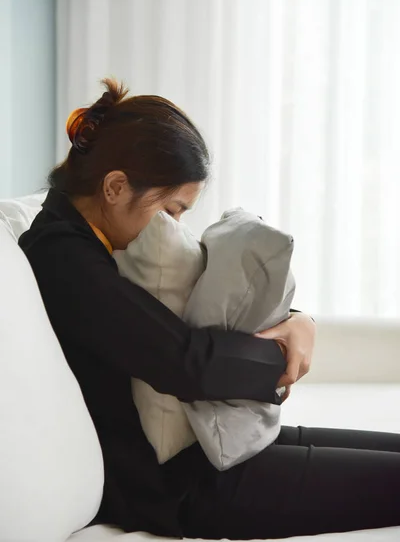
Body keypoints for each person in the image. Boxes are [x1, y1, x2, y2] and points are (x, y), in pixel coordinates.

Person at [19, 79, 400, 540]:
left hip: (208, 446)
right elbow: (186, 362)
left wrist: (299, 320)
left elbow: (190, 308)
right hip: (181, 485)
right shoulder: (62, 256)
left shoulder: (93, 239)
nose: (172, 228)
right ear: (116, 186)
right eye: (172, 210)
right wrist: (281, 364)